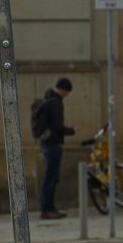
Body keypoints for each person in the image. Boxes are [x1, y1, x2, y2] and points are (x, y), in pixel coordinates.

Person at [30, 77, 76, 219]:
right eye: (67, 92)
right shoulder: (55, 104)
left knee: (50, 177)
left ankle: (49, 208)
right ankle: (47, 209)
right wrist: (72, 130)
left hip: (45, 143)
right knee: (51, 178)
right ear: (62, 89)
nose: (67, 95)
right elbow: (57, 127)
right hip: (53, 144)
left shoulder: (45, 100)